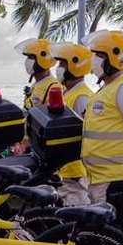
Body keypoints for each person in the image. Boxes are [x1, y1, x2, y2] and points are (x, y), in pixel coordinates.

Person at [80, 30, 123, 235]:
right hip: (99, 180)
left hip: (116, 182)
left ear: (116, 58)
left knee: (116, 239)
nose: (94, 60)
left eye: (99, 55)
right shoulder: (106, 90)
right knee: (101, 240)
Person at [49, 42, 94, 206]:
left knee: (77, 212)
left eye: (63, 64)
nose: (59, 68)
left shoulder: (82, 97)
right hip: (64, 168)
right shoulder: (67, 93)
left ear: (75, 66)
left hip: (74, 171)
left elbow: (86, 133)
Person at [15, 38, 62, 110]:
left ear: (43, 60)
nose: (27, 61)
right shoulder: (36, 84)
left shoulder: (54, 87)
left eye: (31, 57)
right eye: (28, 57)